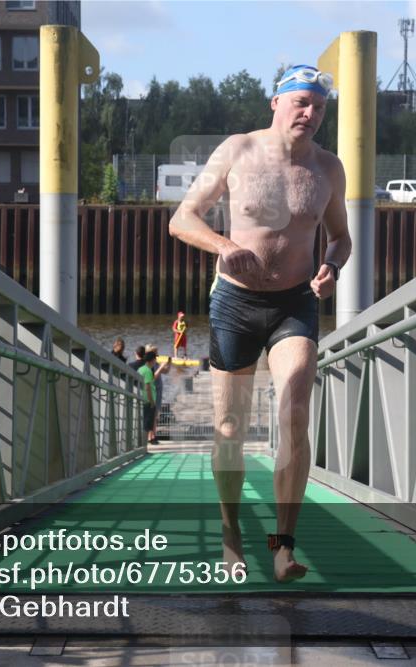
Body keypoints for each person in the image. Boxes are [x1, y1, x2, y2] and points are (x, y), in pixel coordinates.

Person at [168, 64, 351, 582]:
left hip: (295, 304)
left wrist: (332, 266)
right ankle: (231, 535)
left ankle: (281, 547)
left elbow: (341, 236)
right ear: (276, 103)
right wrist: (224, 246)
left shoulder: (328, 168)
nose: (310, 113)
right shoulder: (237, 150)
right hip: (235, 303)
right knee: (229, 428)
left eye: (319, 107)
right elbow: (182, 218)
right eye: (301, 102)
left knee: (295, 414)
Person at [138, 350, 159, 444]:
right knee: (147, 424)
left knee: (144, 423)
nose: (155, 361)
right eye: (155, 359)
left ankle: (142, 443)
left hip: (142, 398)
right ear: (152, 360)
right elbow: (147, 387)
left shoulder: (141, 369)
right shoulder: (148, 371)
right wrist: (152, 402)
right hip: (148, 400)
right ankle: (144, 445)